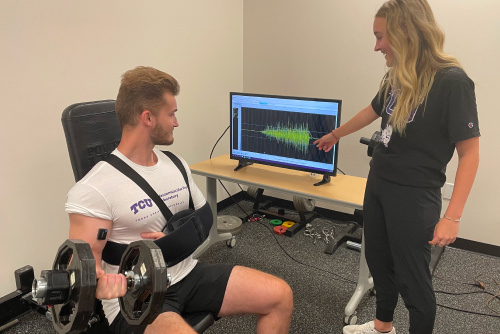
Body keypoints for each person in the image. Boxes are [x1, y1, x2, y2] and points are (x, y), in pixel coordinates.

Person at [65, 66, 293, 334]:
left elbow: (205, 218)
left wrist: (171, 245)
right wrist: (101, 282)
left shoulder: (175, 163)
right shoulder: (96, 187)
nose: (176, 122)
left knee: (280, 295)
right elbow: (80, 266)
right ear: (148, 118)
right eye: (171, 114)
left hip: (187, 274)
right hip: (138, 298)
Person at [314, 1, 479, 333]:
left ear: (406, 32)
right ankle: (382, 327)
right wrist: (335, 134)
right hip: (379, 183)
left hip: (414, 196)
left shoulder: (453, 81)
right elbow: (372, 110)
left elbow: (470, 154)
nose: (376, 46)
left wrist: (452, 217)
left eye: (380, 37)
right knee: (378, 262)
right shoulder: (398, 75)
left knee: (413, 280)